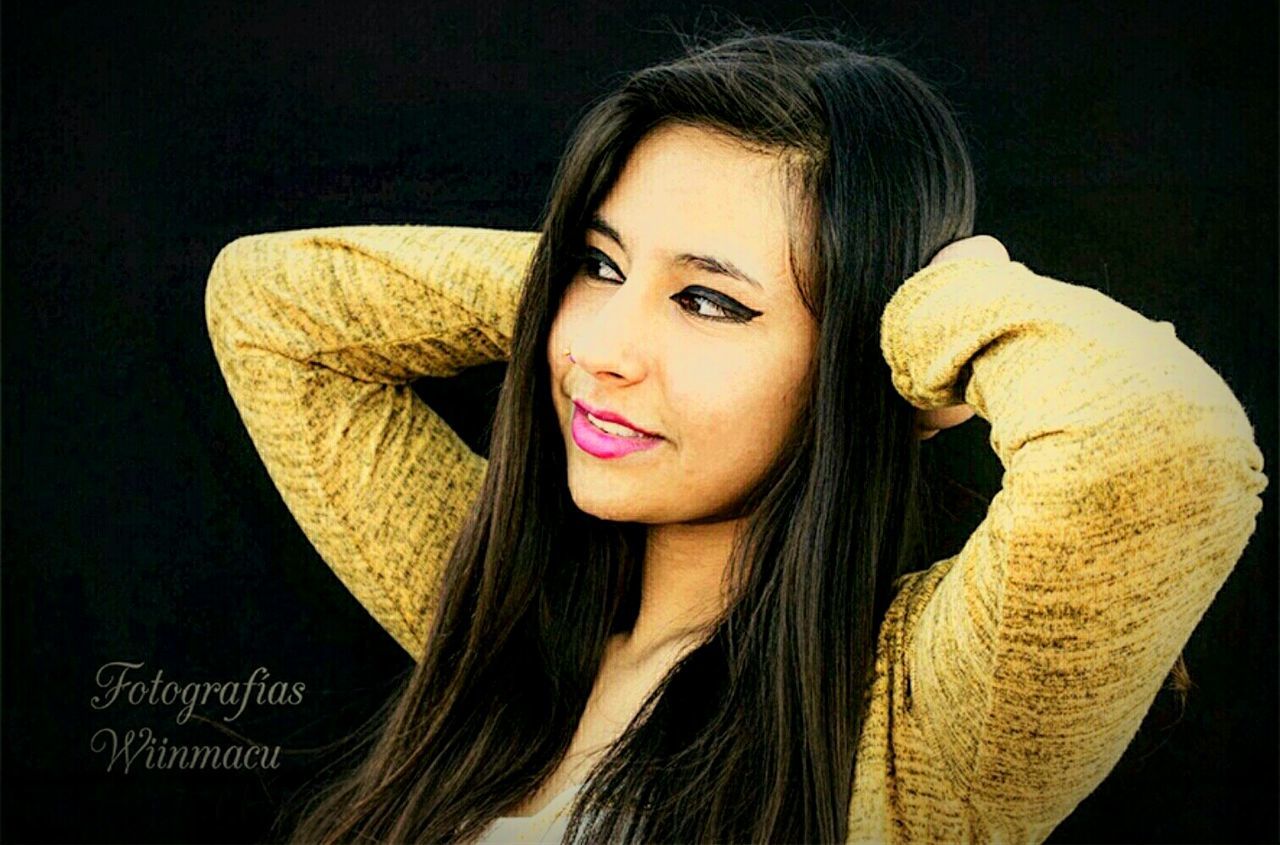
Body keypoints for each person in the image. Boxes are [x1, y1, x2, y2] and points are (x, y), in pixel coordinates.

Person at [203, 30, 1267, 845]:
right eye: (596, 264)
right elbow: (270, 305)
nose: (600, 353)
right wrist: (611, 286)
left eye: (712, 304)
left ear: (873, 351)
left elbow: (1162, 445)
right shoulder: (504, 610)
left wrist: (924, 309)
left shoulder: (917, 723)